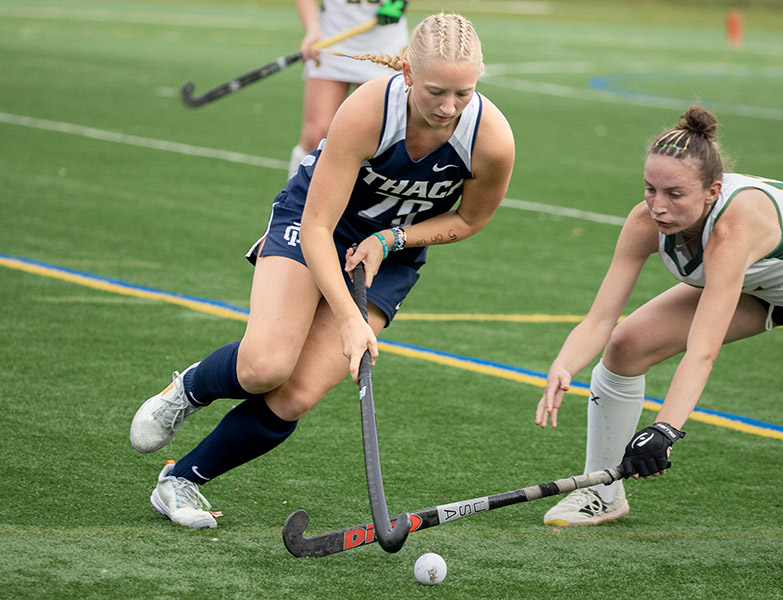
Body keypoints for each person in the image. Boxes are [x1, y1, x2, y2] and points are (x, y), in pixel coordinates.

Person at [130, 12, 515, 531]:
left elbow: (470, 218)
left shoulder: (490, 140)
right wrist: (349, 318)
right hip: (314, 223)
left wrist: (392, 239)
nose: (448, 108)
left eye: (463, 93)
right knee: (264, 366)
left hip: (390, 253)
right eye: (435, 91)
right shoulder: (367, 112)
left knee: (295, 395)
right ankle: (188, 391)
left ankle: (183, 481)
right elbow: (317, 226)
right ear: (405, 71)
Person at [534, 105, 783, 577]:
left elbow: (702, 350)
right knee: (626, 346)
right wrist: (564, 366)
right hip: (756, 288)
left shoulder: (732, 228)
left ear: (713, 191)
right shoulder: (646, 221)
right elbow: (601, 318)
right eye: (650, 189)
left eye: (675, 194)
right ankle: (602, 492)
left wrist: (664, 430)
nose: (659, 205)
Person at [289, 0, 410, 178]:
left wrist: (399, 2)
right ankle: (294, 202)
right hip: (330, 40)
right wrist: (312, 31)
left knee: (375, 138)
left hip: (384, 47)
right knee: (315, 135)